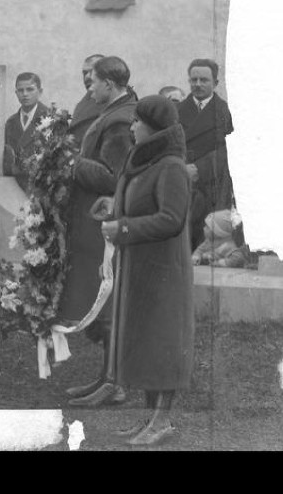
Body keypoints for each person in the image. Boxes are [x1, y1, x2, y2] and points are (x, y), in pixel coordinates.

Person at [100, 95, 194, 446]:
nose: (132, 126)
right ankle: (150, 417)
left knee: (163, 344)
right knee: (145, 344)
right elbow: (137, 204)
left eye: (138, 121)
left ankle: (163, 419)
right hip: (140, 270)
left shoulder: (170, 166)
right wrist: (112, 209)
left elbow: (172, 219)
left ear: (153, 126)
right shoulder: (142, 161)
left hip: (164, 272)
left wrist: (123, 228)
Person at [61, 56, 137, 408]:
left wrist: (71, 162)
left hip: (105, 225)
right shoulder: (115, 112)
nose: (88, 87)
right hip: (98, 221)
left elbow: (113, 176)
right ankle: (106, 378)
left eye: (92, 81)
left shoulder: (120, 121)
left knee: (107, 300)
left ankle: (115, 383)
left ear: (109, 83)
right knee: (101, 300)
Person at [177, 59, 238, 250]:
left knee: (205, 242)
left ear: (215, 83)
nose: (198, 84)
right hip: (181, 182)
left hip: (211, 186)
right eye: (193, 80)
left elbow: (230, 149)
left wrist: (199, 168)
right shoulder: (176, 111)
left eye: (204, 80)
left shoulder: (226, 112)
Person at [3, 72, 49, 191]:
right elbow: (7, 160)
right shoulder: (10, 122)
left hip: (41, 188)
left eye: (30, 89)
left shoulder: (51, 119)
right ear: (16, 93)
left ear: (40, 91)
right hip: (15, 188)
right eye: (20, 90)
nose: (25, 94)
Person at [68, 54, 105, 143]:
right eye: (84, 73)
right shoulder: (86, 99)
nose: (87, 77)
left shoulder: (114, 102)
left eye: (92, 72)